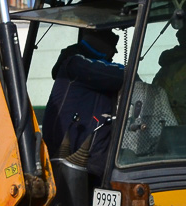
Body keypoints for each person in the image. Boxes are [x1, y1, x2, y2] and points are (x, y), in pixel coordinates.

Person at [41, 28, 125, 178]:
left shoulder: (85, 69)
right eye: (113, 46)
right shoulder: (77, 63)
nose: (115, 52)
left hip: (89, 159)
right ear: (100, 43)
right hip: (76, 158)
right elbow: (122, 75)